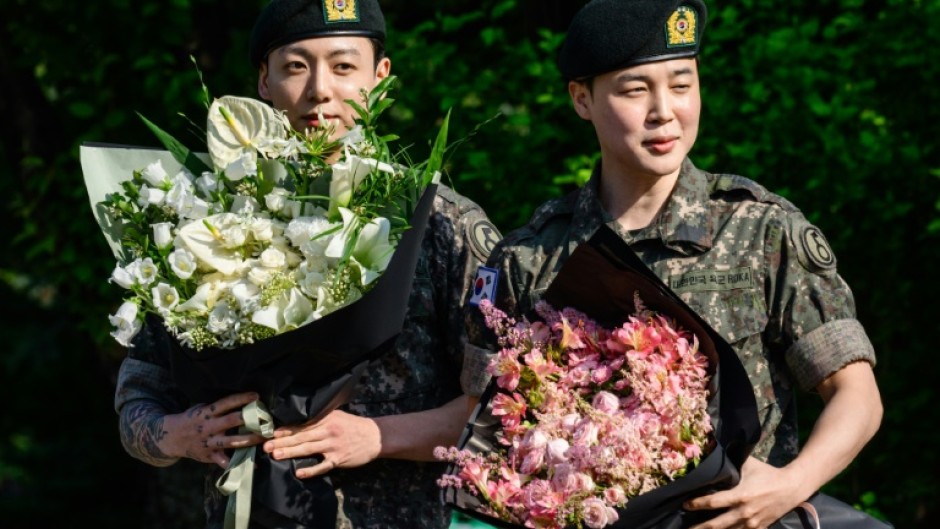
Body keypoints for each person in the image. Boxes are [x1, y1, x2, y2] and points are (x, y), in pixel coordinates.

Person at [462, 1, 884, 528]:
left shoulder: (761, 231)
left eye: (681, 85)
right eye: (635, 90)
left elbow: (857, 395)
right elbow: (482, 425)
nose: (664, 110)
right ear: (582, 99)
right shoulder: (531, 258)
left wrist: (790, 484)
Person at [114, 1, 502, 528]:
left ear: (380, 78)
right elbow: (139, 394)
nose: (320, 90)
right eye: (296, 66)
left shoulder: (440, 224)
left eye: (344, 67)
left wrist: (379, 437)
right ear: (264, 82)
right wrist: (180, 433)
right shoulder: (204, 224)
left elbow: (508, 410)